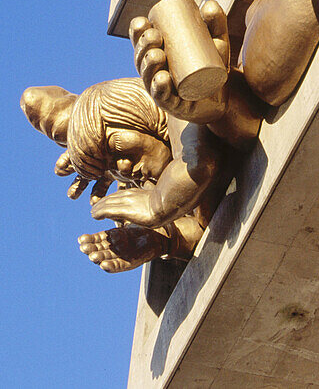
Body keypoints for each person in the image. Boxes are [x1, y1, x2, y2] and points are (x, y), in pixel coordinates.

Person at [20, 67, 244, 273]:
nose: (124, 168)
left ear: (139, 114)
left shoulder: (181, 109)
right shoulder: (146, 186)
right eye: (110, 168)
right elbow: (204, 230)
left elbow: (200, 162)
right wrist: (158, 240)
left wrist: (159, 204)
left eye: (117, 146)